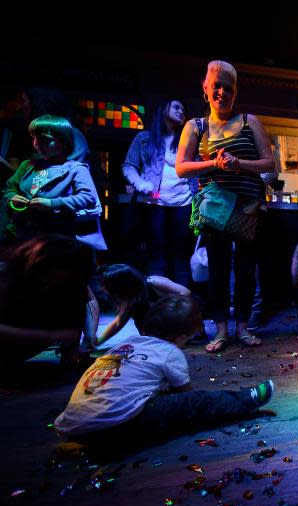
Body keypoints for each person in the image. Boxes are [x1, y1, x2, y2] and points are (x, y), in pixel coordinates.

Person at [54, 294, 275, 447]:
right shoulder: (169, 352)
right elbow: (186, 396)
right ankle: (244, 400)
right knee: (195, 401)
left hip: (73, 427)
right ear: (179, 337)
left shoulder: (125, 345)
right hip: (115, 430)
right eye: (189, 336)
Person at [176, 60, 276, 353]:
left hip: (248, 209)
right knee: (217, 268)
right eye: (216, 86)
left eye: (228, 88)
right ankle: (220, 330)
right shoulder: (196, 126)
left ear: (236, 92)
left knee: (246, 268)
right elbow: (181, 167)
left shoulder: (250, 122)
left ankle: (243, 328)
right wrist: (214, 163)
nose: (222, 92)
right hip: (216, 211)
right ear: (205, 89)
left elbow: (269, 164)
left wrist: (237, 163)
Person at [123, 99, 195, 285]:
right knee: (156, 251)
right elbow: (129, 166)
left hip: (183, 202)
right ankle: (158, 302)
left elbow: (197, 169)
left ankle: (181, 304)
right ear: (164, 110)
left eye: (183, 109)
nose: (181, 112)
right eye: (176, 107)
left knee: (181, 253)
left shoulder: (188, 141)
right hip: (154, 203)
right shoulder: (144, 138)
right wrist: (140, 183)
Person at [0, 235, 94, 368]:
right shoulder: (7, 277)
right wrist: (49, 335)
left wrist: (71, 346)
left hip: (23, 346)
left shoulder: (70, 283)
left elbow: (78, 308)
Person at [3, 115, 99, 243]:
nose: (37, 143)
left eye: (45, 140)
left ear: (64, 141)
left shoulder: (76, 169)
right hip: (23, 236)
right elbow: (9, 188)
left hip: (56, 239)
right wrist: (12, 199)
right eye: (35, 138)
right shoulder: (27, 165)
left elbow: (88, 198)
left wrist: (52, 203)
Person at [87, 263, 191, 347]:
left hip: (178, 324)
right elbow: (118, 323)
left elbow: (185, 292)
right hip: (156, 338)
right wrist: (98, 341)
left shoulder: (154, 283)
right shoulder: (131, 300)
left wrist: (164, 307)